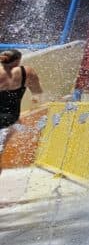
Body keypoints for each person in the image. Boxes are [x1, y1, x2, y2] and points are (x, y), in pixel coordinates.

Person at [0, 49, 43, 179]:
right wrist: (34, 103)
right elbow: (37, 93)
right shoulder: (27, 72)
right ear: (18, 60)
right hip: (9, 119)